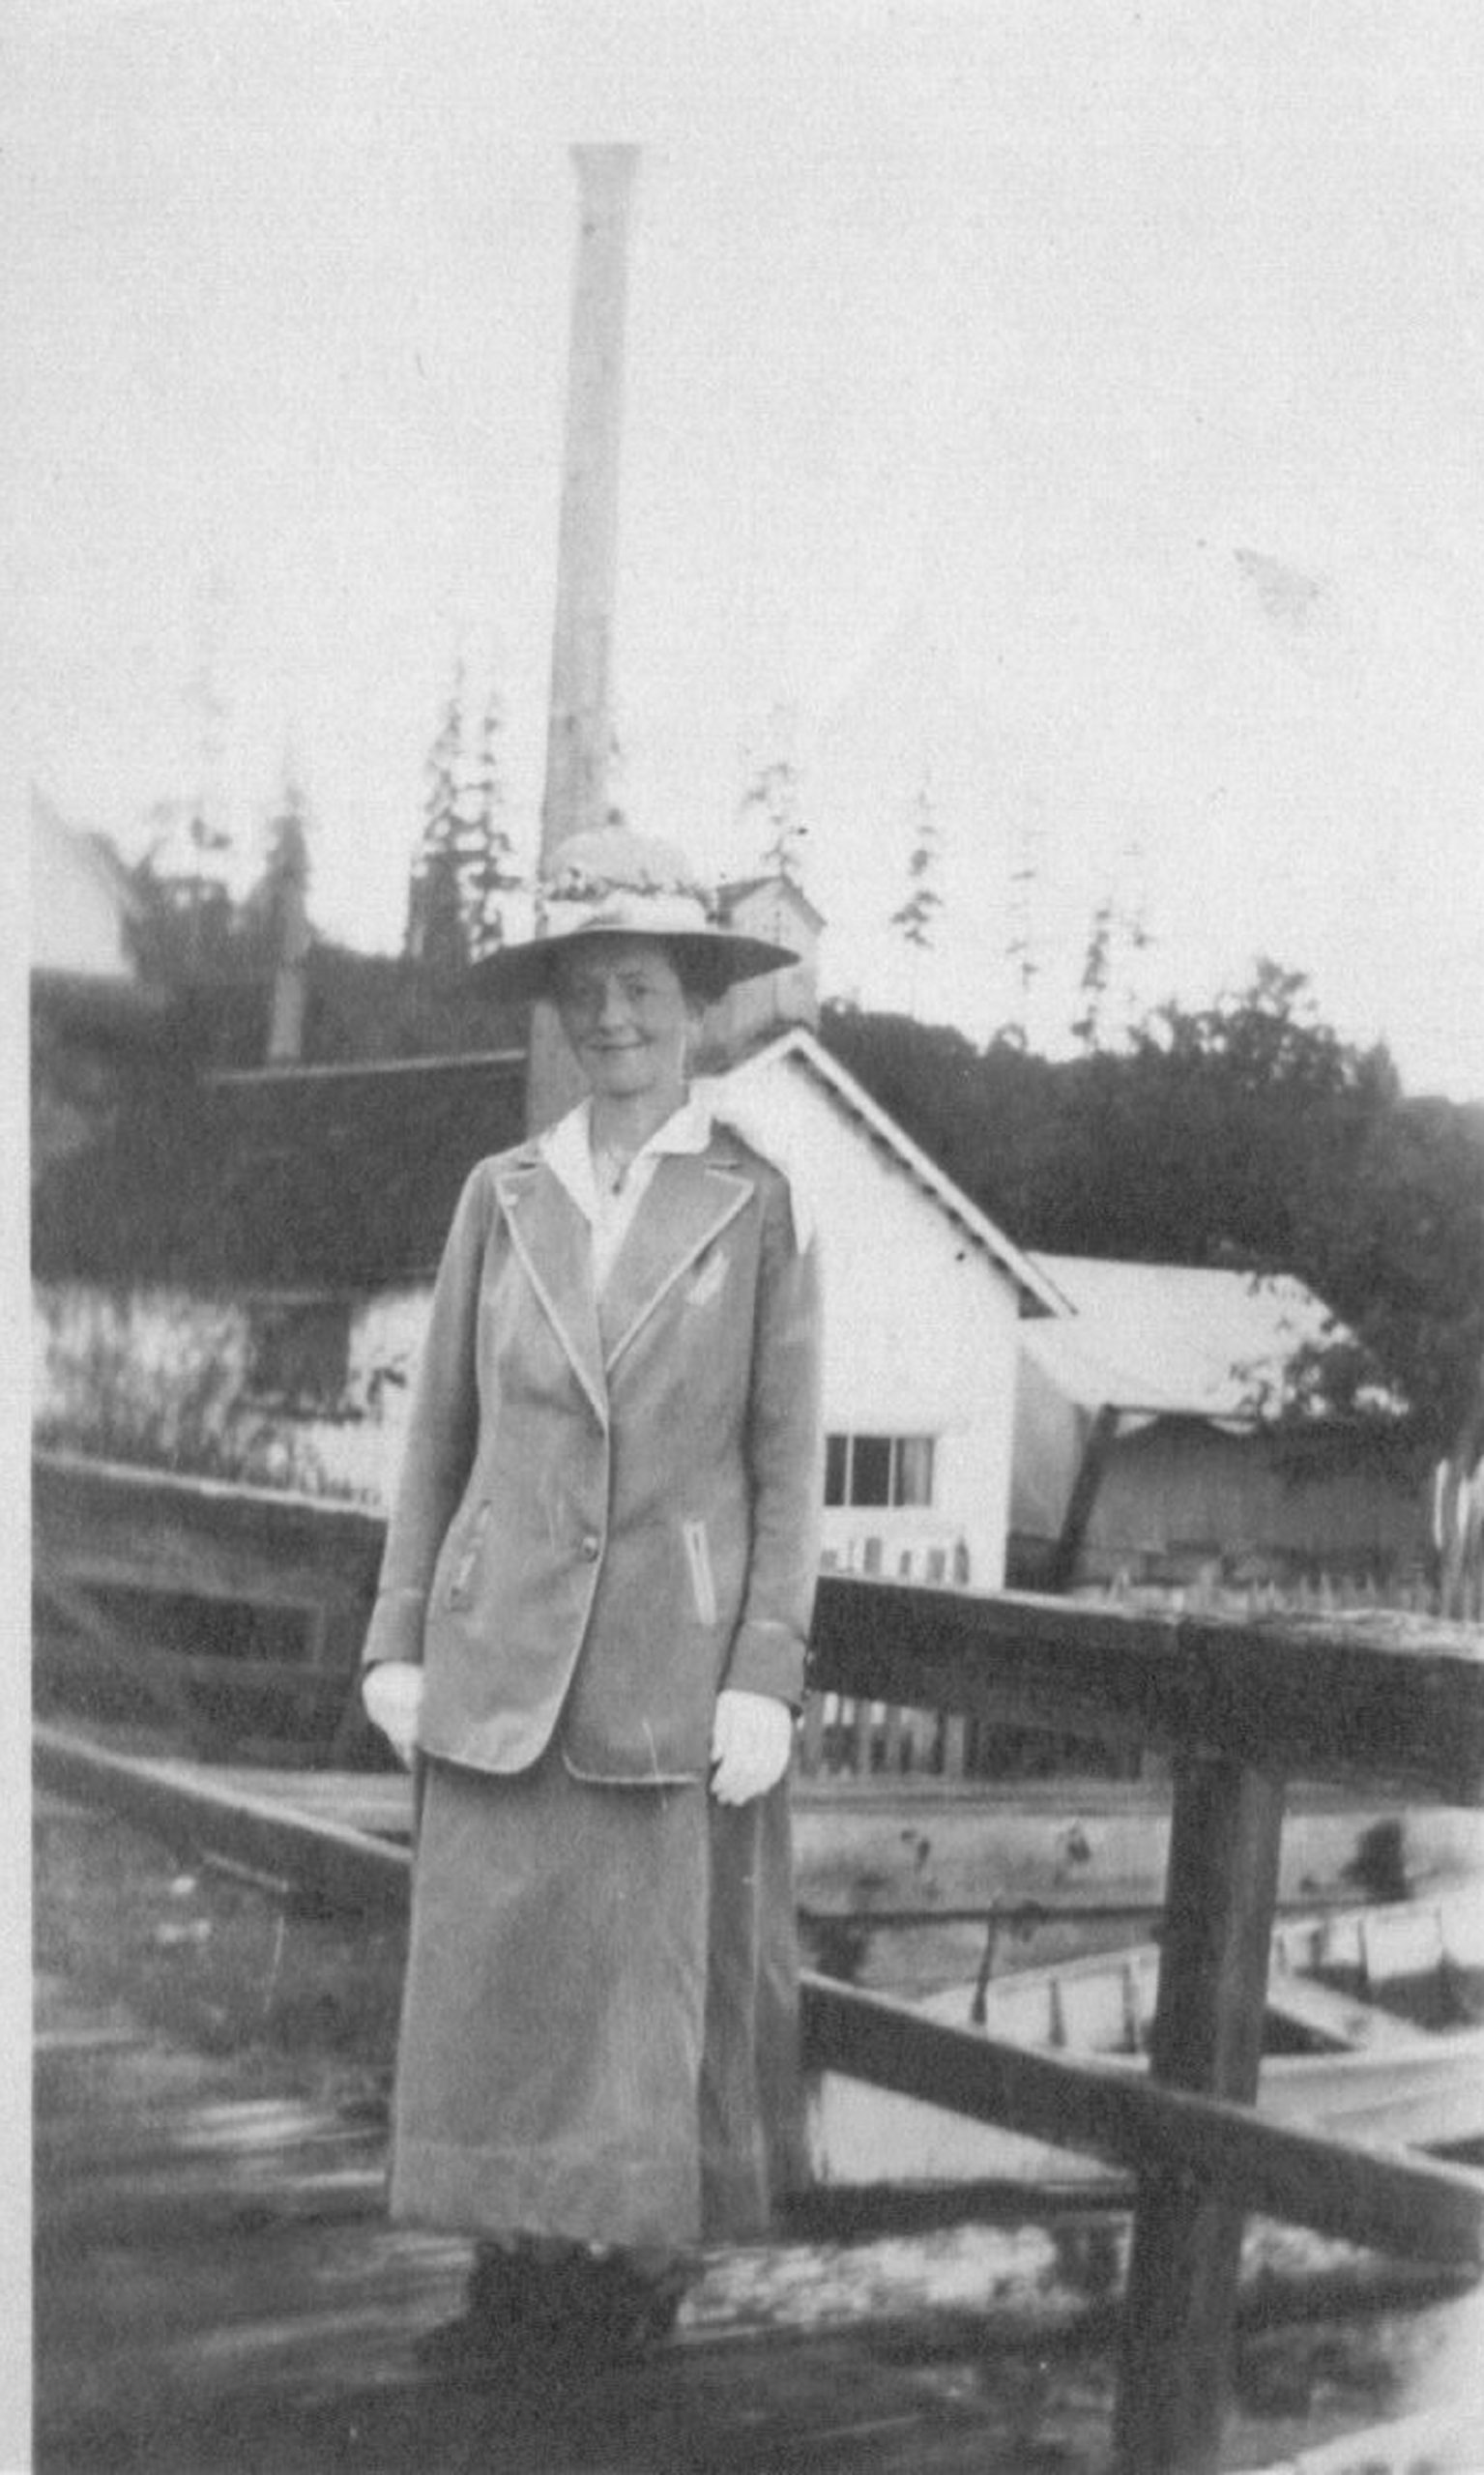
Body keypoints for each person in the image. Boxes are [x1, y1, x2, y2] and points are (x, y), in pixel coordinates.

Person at [360, 820, 824, 2377]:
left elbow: (783, 1461)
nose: (612, 1019)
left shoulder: (754, 1206)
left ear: (692, 1003)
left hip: (664, 1669)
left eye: (640, 988)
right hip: (498, 1657)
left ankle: (623, 2282)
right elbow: (438, 1430)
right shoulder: (501, 1194)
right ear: (556, 1011)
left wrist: (767, 1667)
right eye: (584, 991)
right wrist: (399, 1633)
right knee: (506, 1979)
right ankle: (512, 2262)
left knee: (638, 2000)